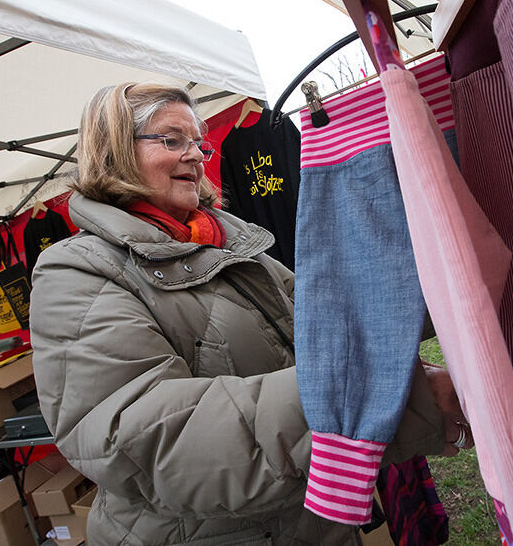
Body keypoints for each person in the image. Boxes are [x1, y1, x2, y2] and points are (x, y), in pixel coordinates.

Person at [30, 83, 468, 545]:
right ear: (114, 149)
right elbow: (146, 438)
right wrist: (385, 398)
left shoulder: (229, 242)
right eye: (171, 140)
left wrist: (445, 290)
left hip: (312, 525)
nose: (196, 155)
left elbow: (329, 321)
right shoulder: (77, 270)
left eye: (198, 142)